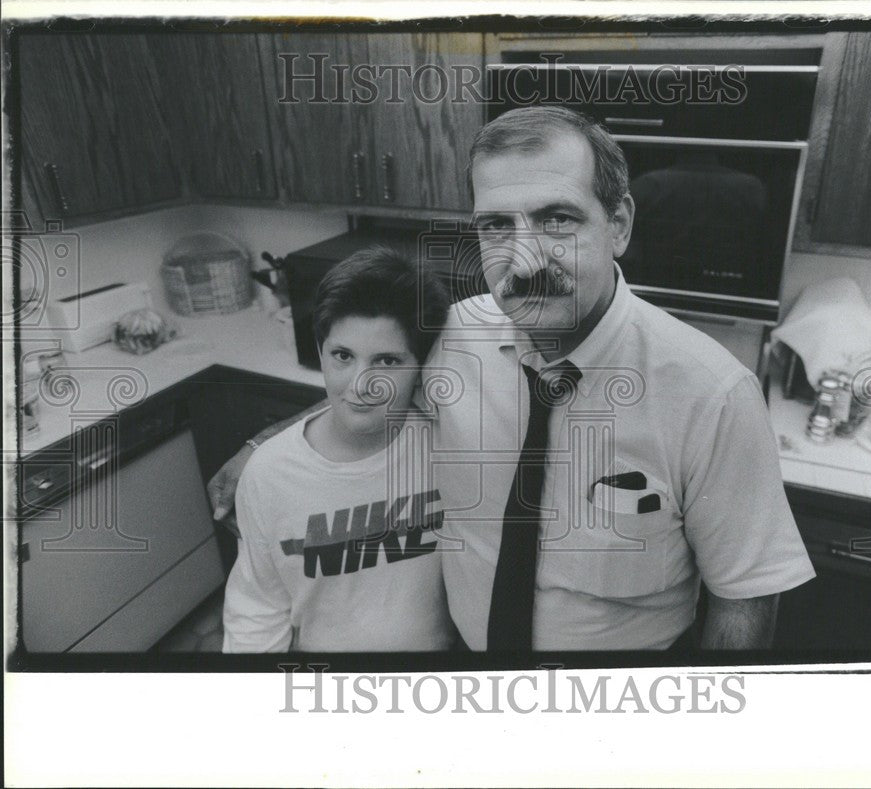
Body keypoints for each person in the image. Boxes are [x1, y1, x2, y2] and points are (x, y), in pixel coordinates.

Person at [211, 106, 815, 653]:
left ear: (620, 225)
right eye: (497, 226)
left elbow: (746, 593)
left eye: (557, 220)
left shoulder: (712, 396)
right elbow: (375, 383)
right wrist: (264, 446)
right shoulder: (453, 339)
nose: (523, 258)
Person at [222, 246, 454, 652]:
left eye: (387, 361)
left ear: (422, 365)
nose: (360, 385)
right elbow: (257, 610)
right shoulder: (268, 473)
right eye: (343, 356)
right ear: (320, 352)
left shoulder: (449, 445)